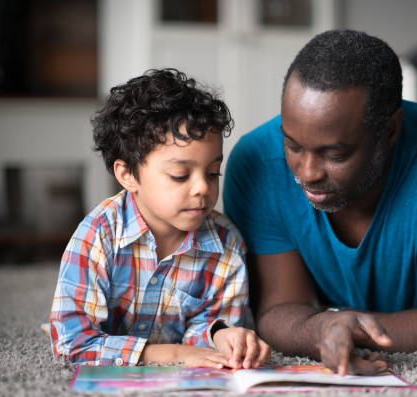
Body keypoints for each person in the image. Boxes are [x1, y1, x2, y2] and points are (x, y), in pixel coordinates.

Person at [223, 30, 417, 376]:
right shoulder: (257, 161)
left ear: (390, 130)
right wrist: (322, 330)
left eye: (335, 154)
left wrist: (341, 326)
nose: (307, 172)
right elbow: (276, 311)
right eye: (293, 146)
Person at [49, 68, 270, 368]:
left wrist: (222, 336)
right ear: (127, 175)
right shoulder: (98, 235)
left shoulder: (226, 244)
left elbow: (209, 327)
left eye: (212, 172)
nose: (203, 188)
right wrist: (172, 354)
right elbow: (71, 343)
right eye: (180, 175)